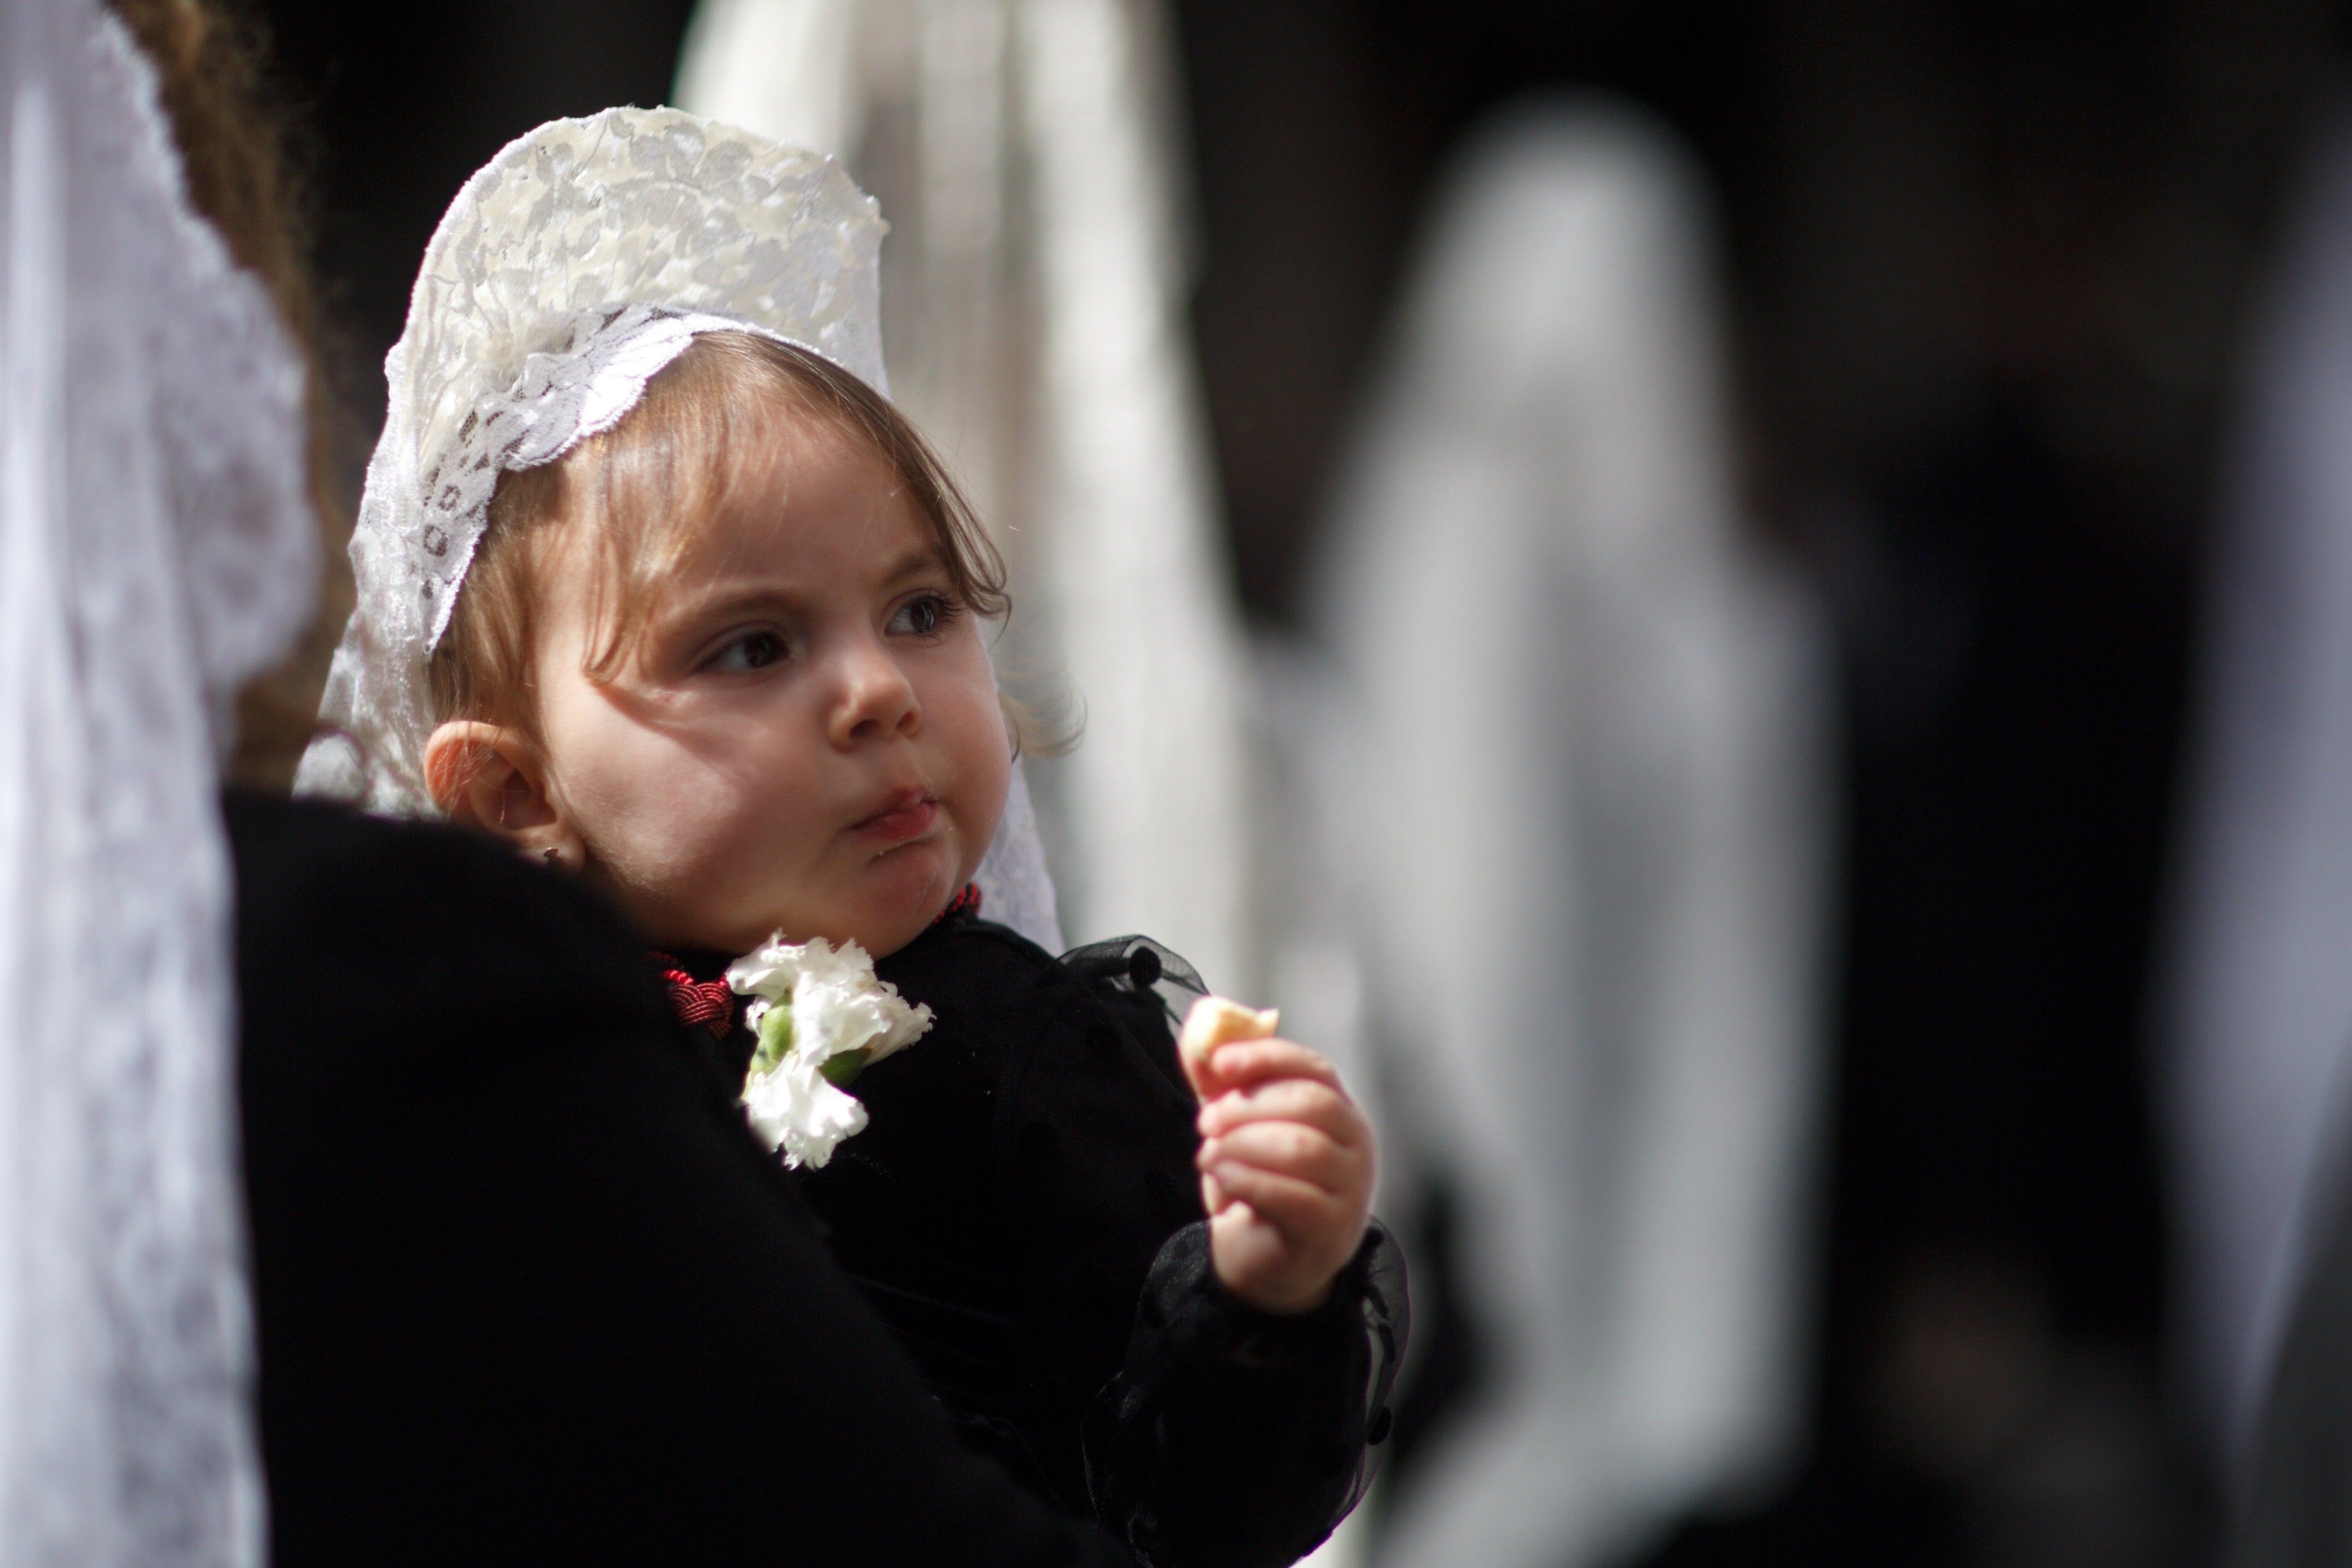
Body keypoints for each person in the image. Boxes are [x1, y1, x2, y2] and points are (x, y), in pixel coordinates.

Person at [296, 107, 1404, 1566]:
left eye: (919, 609)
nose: (878, 689)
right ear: (515, 796)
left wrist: (1263, 1297)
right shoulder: (508, 1074)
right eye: (752, 646)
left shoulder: (1024, 1061)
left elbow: (1186, 1510)